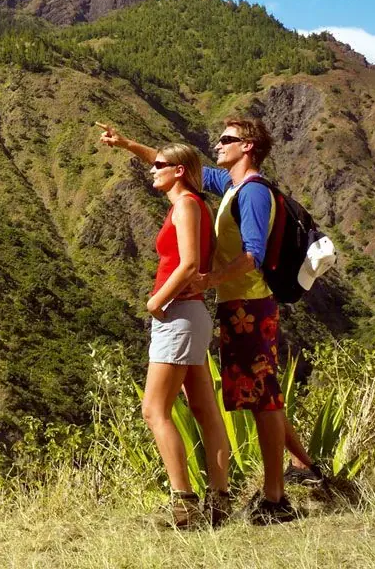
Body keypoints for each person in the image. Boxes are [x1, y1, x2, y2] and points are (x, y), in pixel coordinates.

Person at [99, 118, 316, 525]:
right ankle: (268, 482)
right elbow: (181, 167)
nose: (217, 144)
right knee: (234, 402)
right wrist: (129, 143)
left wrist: (204, 281)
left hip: (250, 305)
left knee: (264, 399)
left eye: (227, 140)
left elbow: (251, 253)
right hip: (231, 306)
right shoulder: (228, 187)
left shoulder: (251, 193)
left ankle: (274, 496)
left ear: (248, 146)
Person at [135, 143, 233, 529]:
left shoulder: (187, 205)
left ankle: (184, 504)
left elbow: (191, 262)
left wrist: (157, 300)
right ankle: (219, 501)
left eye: (159, 165)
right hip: (187, 314)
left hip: (178, 314)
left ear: (179, 170)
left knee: (153, 409)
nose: (152, 170)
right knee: (204, 409)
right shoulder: (189, 203)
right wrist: (127, 144)